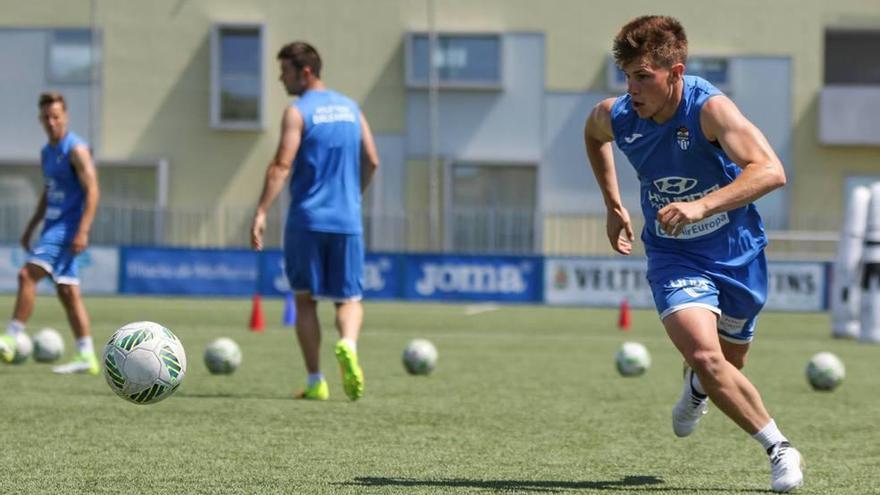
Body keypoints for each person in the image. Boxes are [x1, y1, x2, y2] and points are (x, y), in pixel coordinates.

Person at [584, 16, 803, 493]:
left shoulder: (709, 110)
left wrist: (701, 204)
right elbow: (593, 133)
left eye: (644, 77)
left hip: (736, 251)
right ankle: (780, 447)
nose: (632, 89)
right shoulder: (619, 115)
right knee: (704, 353)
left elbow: (770, 170)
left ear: (676, 73)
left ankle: (697, 388)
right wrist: (613, 203)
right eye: (627, 76)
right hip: (672, 257)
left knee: (729, 360)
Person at [250, 41, 379, 401]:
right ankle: (349, 345)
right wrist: (354, 196)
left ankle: (315, 381)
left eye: (285, 71)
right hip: (347, 220)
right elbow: (372, 160)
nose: (281, 78)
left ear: (304, 72)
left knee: (305, 301)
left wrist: (261, 211)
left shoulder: (298, 112)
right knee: (349, 298)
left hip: (307, 220)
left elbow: (281, 165)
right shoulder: (352, 108)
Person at [0, 92, 101, 374]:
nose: (52, 121)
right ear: (40, 120)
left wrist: (83, 230)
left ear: (65, 116)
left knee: (26, 275)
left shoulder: (76, 150)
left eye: (56, 116)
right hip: (51, 226)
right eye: (46, 117)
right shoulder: (47, 153)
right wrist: (31, 226)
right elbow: (49, 192)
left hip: (67, 229)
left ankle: (11, 335)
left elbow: (93, 190)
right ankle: (86, 355)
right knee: (68, 292)